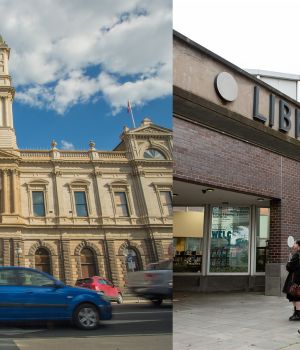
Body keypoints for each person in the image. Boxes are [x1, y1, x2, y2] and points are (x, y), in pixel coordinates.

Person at [283, 239, 300, 320]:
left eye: (295, 244)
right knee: (296, 295)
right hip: (298, 277)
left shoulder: (297, 255)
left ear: (298, 245)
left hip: (295, 278)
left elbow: (290, 267)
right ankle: (297, 313)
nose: (293, 245)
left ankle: (297, 314)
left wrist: (289, 261)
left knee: (295, 295)